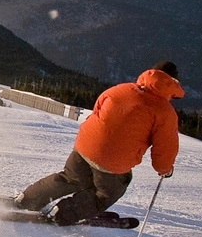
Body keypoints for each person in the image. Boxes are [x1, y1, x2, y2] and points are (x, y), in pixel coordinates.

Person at [15, 62, 183, 225]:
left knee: (71, 178)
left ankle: (28, 199)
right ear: (173, 84)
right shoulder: (165, 113)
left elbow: (97, 111)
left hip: (85, 145)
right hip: (112, 161)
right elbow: (165, 148)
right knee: (106, 193)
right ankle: (63, 213)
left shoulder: (121, 89)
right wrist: (164, 169)